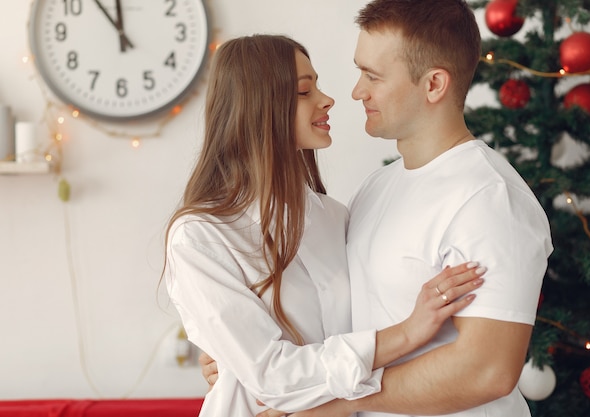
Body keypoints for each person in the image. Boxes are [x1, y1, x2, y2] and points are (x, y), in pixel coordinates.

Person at [203, 1, 553, 416]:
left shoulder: (489, 199)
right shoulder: (374, 190)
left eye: (373, 75)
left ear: (434, 84)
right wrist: (245, 356)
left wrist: (330, 405)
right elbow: (338, 316)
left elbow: (487, 371)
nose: (355, 91)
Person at [163, 34, 486, 417]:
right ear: (258, 106)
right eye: (304, 91)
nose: (328, 99)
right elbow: (272, 377)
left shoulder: (334, 217)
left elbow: (353, 328)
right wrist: (407, 333)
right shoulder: (200, 238)